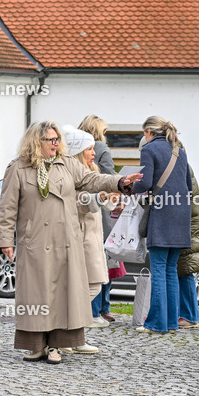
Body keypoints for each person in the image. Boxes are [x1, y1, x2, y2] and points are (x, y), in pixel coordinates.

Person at [0, 121, 140, 364]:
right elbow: (7, 207)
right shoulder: (18, 168)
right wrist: (5, 240)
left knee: (62, 296)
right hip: (34, 242)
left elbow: (92, 179)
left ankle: (56, 345)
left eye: (57, 139)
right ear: (36, 142)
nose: (56, 144)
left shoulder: (67, 164)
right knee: (35, 296)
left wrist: (119, 182)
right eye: (50, 140)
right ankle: (36, 345)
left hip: (64, 241)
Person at [133, 116, 193, 334]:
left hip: (162, 213)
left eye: (144, 133)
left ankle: (156, 324)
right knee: (170, 270)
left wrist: (128, 186)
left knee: (158, 268)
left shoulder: (149, 149)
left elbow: (145, 183)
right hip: (181, 215)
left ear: (149, 131)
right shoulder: (180, 151)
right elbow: (188, 185)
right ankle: (170, 323)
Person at [60, 125, 103, 352]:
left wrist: (110, 200)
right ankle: (68, 336)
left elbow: (98, 201)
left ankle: (72, 337)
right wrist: (97, 199)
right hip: (82, 237)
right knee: (86, 288)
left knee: (88, 288)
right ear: (78, 151)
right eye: (89, 149)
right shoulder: (71, 173)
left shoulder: (91, 169)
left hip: (92, 237)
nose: (93, 153)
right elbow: (76, 201)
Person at [79, 115, 121, 323]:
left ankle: (96, 308)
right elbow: (108, 176)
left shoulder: (76, 148)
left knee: (92, 260)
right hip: (101, 208)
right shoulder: (102, 148)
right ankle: (100, 308)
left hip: (85, 206)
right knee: (102, 259)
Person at [177, 166, 199, 327]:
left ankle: (189, 315)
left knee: (185, 269)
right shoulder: (182, 163)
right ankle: (189, 314)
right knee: (184, 269)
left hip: (190, 225)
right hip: (192, 222)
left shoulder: (179, 164)